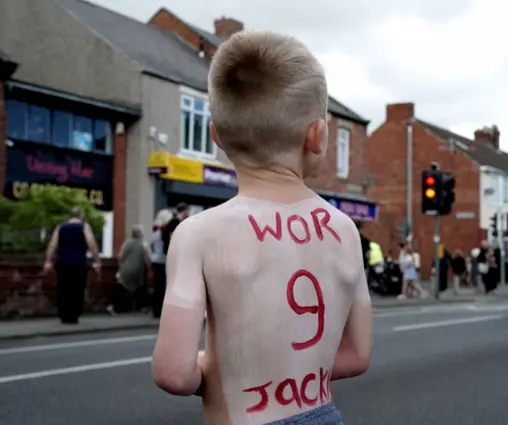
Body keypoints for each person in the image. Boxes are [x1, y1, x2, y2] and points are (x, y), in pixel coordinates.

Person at [152, 31, 372, 425]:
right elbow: (357, 354)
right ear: (318, 136)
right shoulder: (345, 230)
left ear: (215, 136)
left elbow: (173, 372)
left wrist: (227, 371)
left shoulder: (197, 234)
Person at [43, 207, 101, 324]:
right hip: (79, 262)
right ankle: (74, 315)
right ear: (81, 216)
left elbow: (52, 245)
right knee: (77, 288)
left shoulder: (61, 227)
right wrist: (97, 260)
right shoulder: (84, 227)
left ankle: (64, 314)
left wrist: (48, 261)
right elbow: (91, 244)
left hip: (63, 262)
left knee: (63, 288)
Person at [107, 225, 151, 315]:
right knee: (140, 287)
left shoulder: (126, 243)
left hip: (125, 269)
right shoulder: (143, 244)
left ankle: (113, 306)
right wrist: (149, 268)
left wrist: (121, 266)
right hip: (137, 270)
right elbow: (147, 259)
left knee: (121, 288)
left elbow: (120, 256)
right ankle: (143, 306)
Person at [150, 209, 173, 318]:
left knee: (157, 286)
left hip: (155, 260)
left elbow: (152, 245)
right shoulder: (164, 231)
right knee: (162, 286)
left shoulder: (154, 230)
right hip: (163, 260)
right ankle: (160, 311)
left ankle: (156, 310)